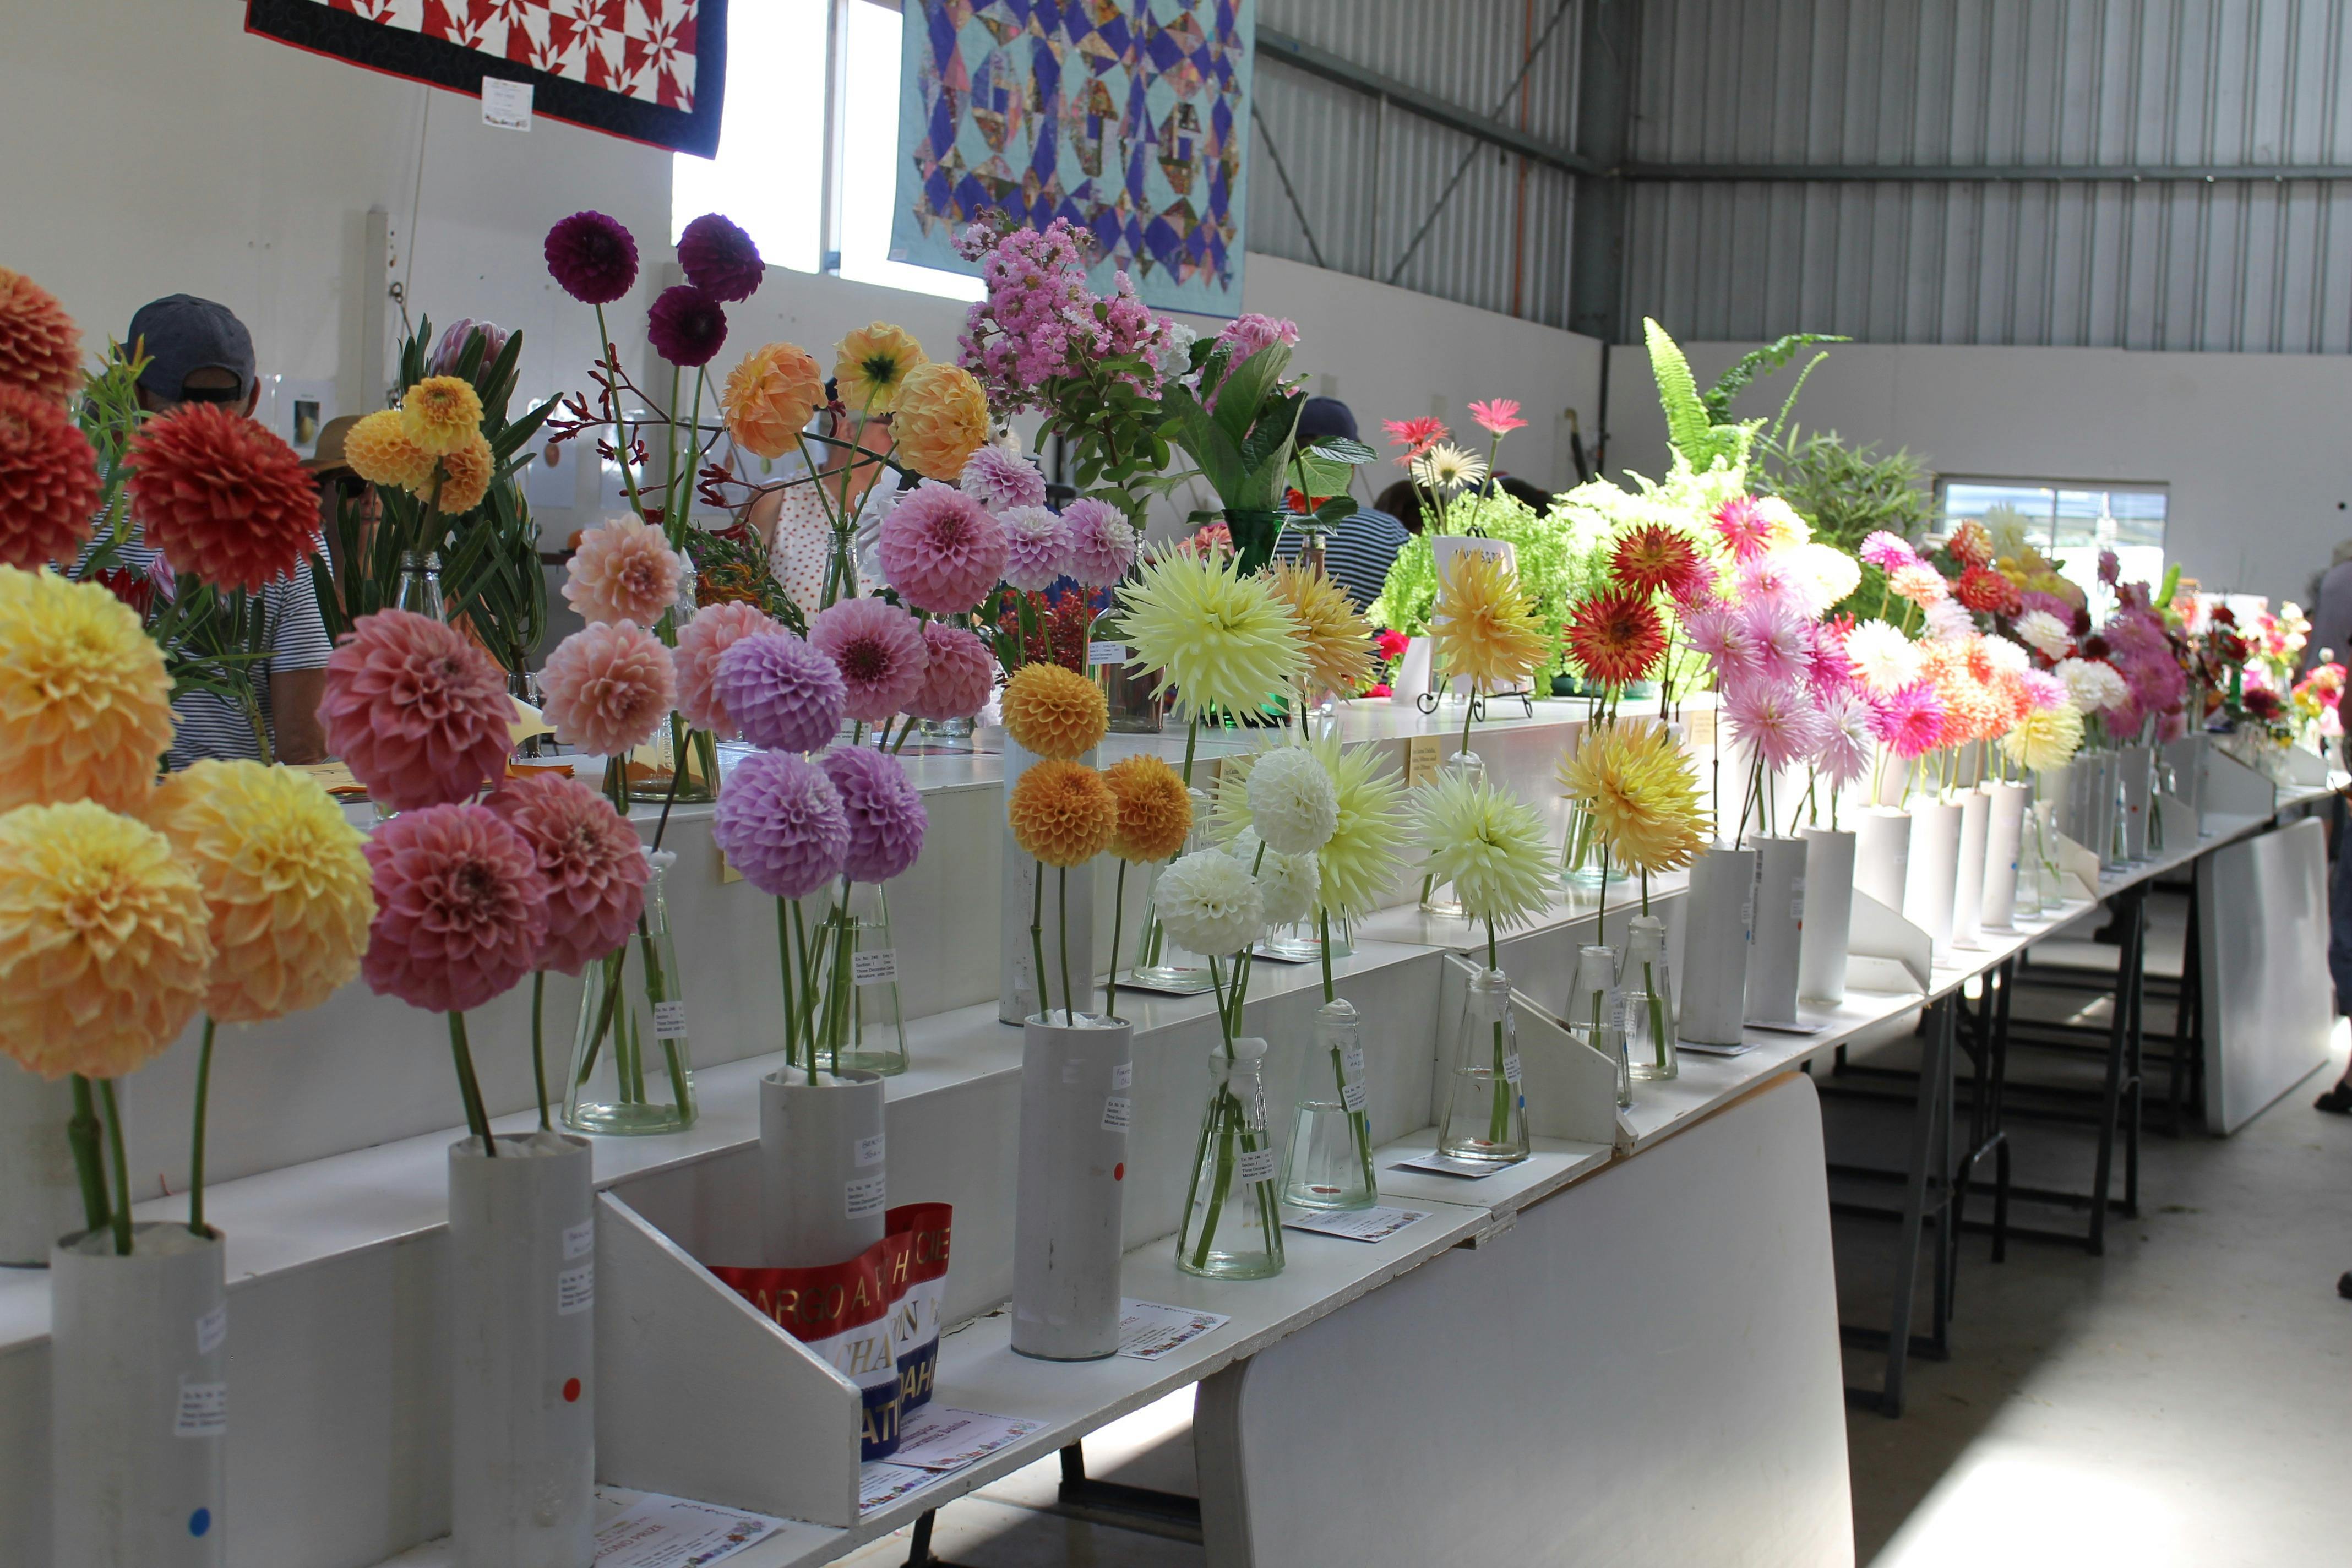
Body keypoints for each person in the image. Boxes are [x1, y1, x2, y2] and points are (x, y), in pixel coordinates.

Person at [86, 296, 330, 765]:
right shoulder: (288, 527)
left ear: (129, 391)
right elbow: (304, 743)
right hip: (226, 821)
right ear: (255, 397)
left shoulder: (65, 511)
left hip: (85, 820)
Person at [1273, 396, 1412, 611]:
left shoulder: (1250, 529)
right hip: (1369, 645)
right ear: (1353, 460)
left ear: (1286, 458)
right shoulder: (1389, 532)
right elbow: (1414, 613)